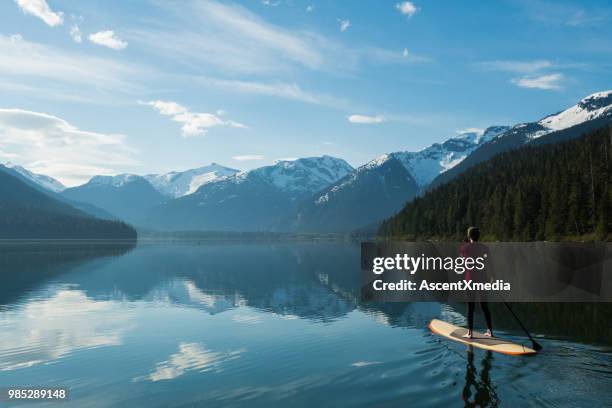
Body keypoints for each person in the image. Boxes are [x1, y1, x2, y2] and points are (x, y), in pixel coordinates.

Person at [460, 226, 493, 338]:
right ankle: (490, 331)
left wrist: (466, 244)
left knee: (470, 307)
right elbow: (490, 263)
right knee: (484, 306)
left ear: (469, 236)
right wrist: (492, 277)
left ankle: (470, 333)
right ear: (478, 236)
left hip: (470, 280)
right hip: (483, 279)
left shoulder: (464, 248)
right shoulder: (485, 248)